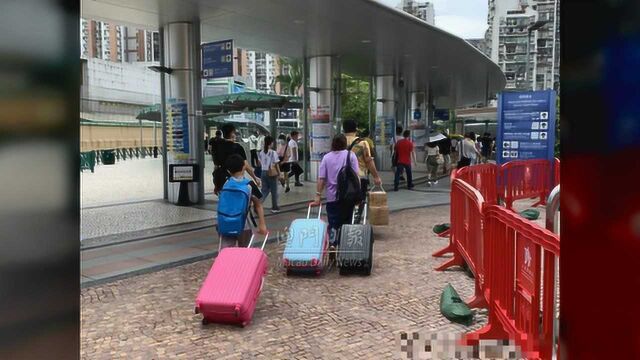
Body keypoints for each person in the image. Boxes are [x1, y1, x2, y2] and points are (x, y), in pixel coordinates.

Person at [310, 134, 359, 251]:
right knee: (346, 222)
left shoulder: (326, 158)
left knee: (333, 222)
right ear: (344, 143)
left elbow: (321, 178)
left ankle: (332, 243)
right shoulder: (351, 156)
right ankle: (344, 246)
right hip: (348, 196)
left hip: (332, 197)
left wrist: (318, 195)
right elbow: (356, 177)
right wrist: (358, 196)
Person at [218, 154, 267, 249]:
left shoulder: (226, 183)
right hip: (244, 224)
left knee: (226, 253)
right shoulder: (249, 185)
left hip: (225, 223)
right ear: (244, 166)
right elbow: (258, 205)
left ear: (228, 170)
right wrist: (262, 224)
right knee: (245, 251)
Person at [343, 119, 383, 222]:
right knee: (359, 200)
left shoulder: (339, 141)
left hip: (342, 177)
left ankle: (345, 221)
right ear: (356, 129)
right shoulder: (363, 143)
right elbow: (369, 161)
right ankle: (356, 220)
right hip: (360, 177)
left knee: (344, 200)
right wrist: (376, 176)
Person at [212, 123, 261, 196]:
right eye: (234, 132)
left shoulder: (217, 146)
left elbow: (216, 165)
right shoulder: (238, 147)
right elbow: (246, 164)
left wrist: (216, 184)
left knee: (226, 199)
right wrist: (254, 177)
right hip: (236, 179)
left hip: (221, 178)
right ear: (232, 133)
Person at [257, 136, 281, 213]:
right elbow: (276, 164)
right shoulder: (273, 152)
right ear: (270, 143)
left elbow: (259, 164)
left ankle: (258, 204)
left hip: (263, 172)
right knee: (274, 191)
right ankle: (275, 207)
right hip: (271, 173)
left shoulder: (261, 152)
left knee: (264, 190)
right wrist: (279, 174)